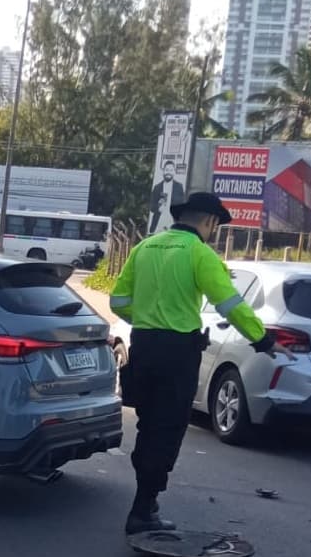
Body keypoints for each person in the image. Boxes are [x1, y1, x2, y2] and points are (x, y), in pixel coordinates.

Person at [110, 192, 294, 535]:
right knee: (168, 428)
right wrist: (264, 341)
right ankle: (142, 509)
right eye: (216, 226)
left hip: (144, 346)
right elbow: (230, 305)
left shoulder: (144, 248)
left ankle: (144, 502)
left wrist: (150, 318)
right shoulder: (200, 254)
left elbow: (119, 302)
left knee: (149, 425)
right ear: (210, 221)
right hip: (178, 351)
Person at [148, 160, 184, 234]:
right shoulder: (157, 187)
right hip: (158, 223)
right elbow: (151, 207)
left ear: (174, 172)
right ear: (163, 171)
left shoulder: (179, 187)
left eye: (171, 170)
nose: (168, 172)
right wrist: (157, 208)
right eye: (167, 170)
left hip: (172, 222)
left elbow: (182, 206)